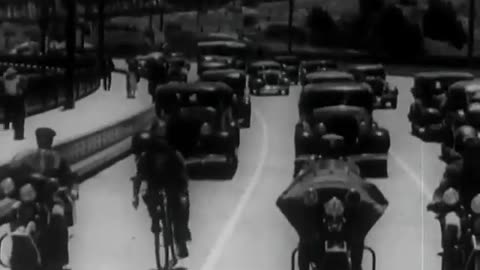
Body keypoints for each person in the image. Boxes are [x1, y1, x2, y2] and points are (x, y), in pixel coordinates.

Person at [131, 125, 191, 260]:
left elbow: (183, 174)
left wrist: (182, 189)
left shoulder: (174, 155)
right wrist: (135, 196)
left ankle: (181, 239)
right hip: (156, 186)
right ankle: (155, 218)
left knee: (181, 206)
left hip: (173, 184)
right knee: (147, 195)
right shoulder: (146, 158)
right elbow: (139, 178)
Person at [2, 67, 27, 140]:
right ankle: (19, 136)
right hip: (17, 99)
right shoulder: (17, 80)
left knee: (12, 114)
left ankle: (8, 126)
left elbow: (4, 76)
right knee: (20, 117)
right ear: (13, 74)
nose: (16, 74)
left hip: (9, 99)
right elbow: (22, 90)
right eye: (14, 74)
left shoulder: (5, 79)